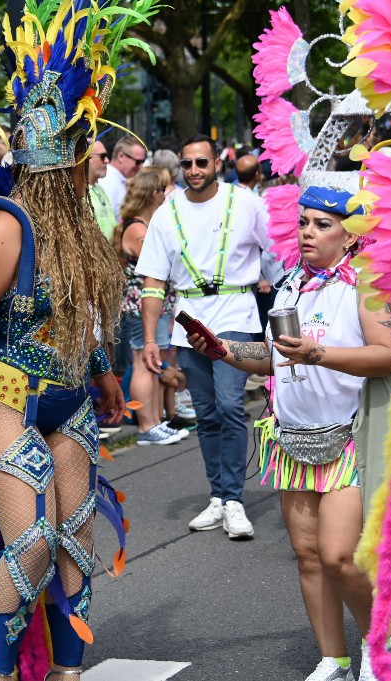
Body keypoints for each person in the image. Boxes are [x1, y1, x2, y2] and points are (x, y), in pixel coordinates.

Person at [0, 3, 145, 677]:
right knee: (30, 546)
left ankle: (69, 670)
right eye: (88, 155)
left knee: (76, 543)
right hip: (7, 397)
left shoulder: (81, 225)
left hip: (72, 398)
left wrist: (107, 371)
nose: (92, 165)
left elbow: (86, 312)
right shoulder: (6, 226)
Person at [189, 185, 391, 681]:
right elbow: (274, 357)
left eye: (322, 224)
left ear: (349, 236)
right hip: (292, 439)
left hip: (346, 437)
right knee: (308, 556)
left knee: (340, 555)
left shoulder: (366, 284)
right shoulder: (289, 285)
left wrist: (318, 355)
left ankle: (378, 643)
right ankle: (334, 659)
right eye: (304, 222)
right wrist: (222, 351)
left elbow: (388, 353)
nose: (307, 231)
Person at [136, 133, 269, 540]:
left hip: (235, 312)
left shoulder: (245, 202)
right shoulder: (166, 212)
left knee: (230, 405)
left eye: (202, 163)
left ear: (217, 164)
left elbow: (280, 251)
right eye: (188, 164)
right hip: (188, 320)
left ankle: (234, 500)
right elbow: (154, 282)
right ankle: (219, 496)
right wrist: (151, 339)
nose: (194, 170)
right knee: (207, 414)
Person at [112, 169, 187, 446]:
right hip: (139, 306)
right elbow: (158, 263)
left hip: (152, 305)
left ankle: (156, 421)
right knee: (142, 363)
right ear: (152, 194)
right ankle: (146, 425)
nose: (166, 196)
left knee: (153, 363)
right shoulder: (137, 229)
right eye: (162, 191)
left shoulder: (145, 225)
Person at [97, 135, 146, 219]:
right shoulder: (109, 181)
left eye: (143, 162)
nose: (141, 167)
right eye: (138, 162)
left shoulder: (117, 179)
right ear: (121, 157)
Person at [87, 139, 116, 239]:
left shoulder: (99, 188)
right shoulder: (78, 194)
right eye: (102, 156)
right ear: (87, 158)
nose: (107, 161)